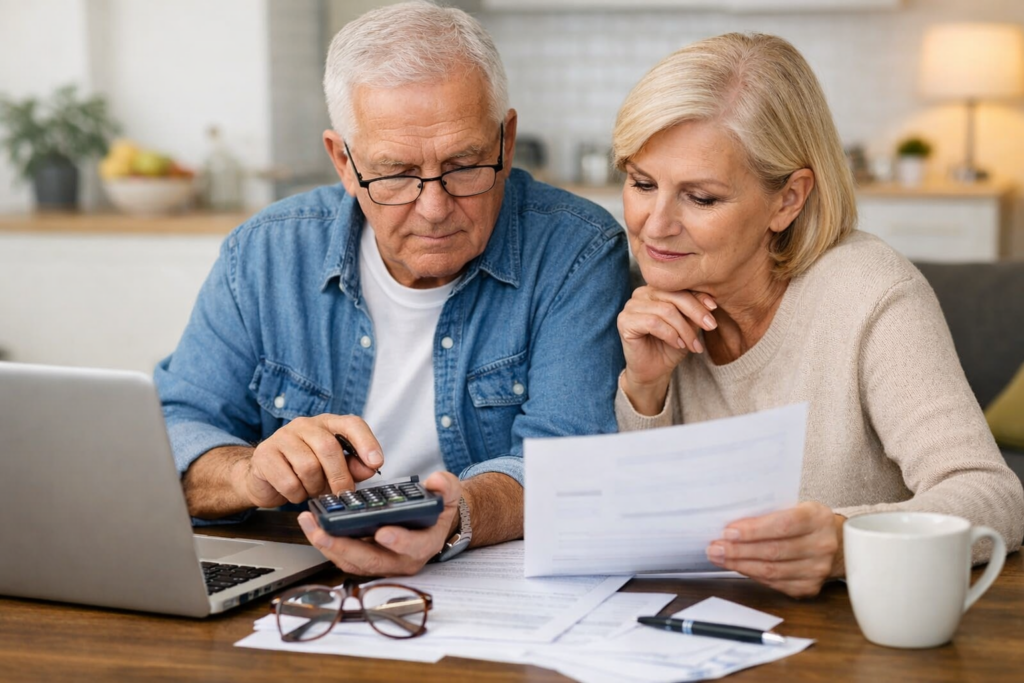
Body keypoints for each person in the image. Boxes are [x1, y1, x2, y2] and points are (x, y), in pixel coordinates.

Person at [155, 1, 629, 577]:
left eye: (463, 164)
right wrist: (248, 473)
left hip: (491, 589)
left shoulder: (576, 250)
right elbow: (171, 430)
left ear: (506, 140)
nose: (434, 208)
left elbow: (567, 460)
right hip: (302, 582)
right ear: (343, 162)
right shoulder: (264, 253)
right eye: (397, 173)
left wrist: (457, 516)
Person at [612, 32, 1024, 598]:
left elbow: (993, 496)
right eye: (641, 183)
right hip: (706, 628)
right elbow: (639, 529)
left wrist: (845, 543)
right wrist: (645, 389)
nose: (654, 225)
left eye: (700, 198)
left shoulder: (869, 294)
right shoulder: (653, 307)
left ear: (789, 199)